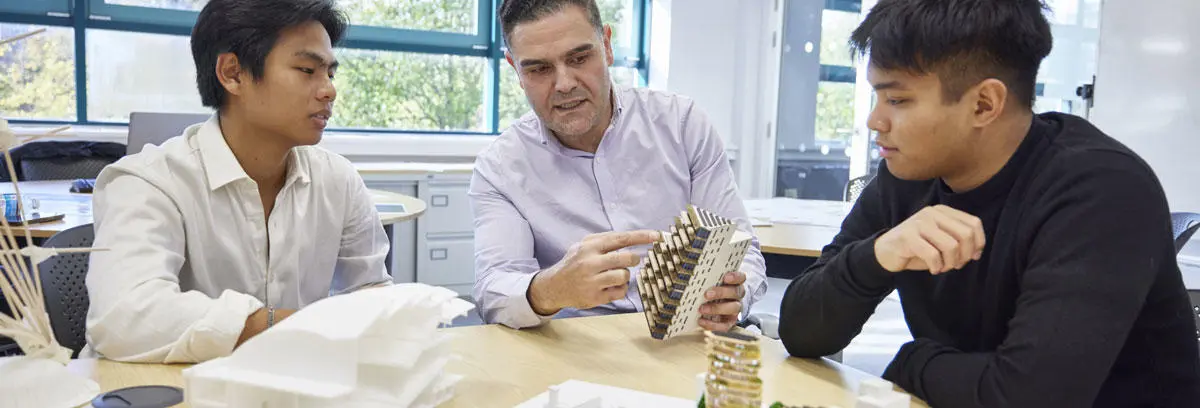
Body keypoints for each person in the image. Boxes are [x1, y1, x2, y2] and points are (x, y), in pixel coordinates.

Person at [777, 0, 1200, 406]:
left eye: (897, 100)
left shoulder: (1101, 191)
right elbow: (799, 330)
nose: (875, 121)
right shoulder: (908, 176)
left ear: (984, 104)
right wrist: (879, 254)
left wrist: (912, 362)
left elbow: (1027, 398)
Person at [85, 0, 391, 363]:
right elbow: (124, 318)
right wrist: (294, 325)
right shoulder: (149, 182)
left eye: (330, 74)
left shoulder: (338, 180)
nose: (329, 91)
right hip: (170, 387)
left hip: (293, 382)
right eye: (307, 70)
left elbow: (372, 293)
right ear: (233, 73)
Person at [470, 0, 767, 331]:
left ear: (607, 46)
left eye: (579, 58)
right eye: (539, 69)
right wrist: (551, 289)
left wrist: (734, 294)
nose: (564, 84)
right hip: (579, 346)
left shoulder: (682, 125)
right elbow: (493, 290)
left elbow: (742, 247)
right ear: (516, 70)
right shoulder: (500, 169)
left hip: (689, 335)